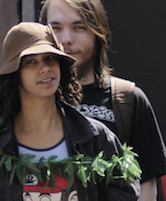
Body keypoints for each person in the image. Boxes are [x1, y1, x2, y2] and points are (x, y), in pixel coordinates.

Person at [40, 0, 166, 201]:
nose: (66, 39)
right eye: (56, 28)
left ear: (97, 32)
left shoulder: (128, 100)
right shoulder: (30, 99)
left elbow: (147, 187)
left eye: (78, 27)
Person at [0, 22, 140, 201]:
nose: (45, 68)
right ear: (15, 74)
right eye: (31, 61)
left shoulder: (96, 138)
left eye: (50, 58)